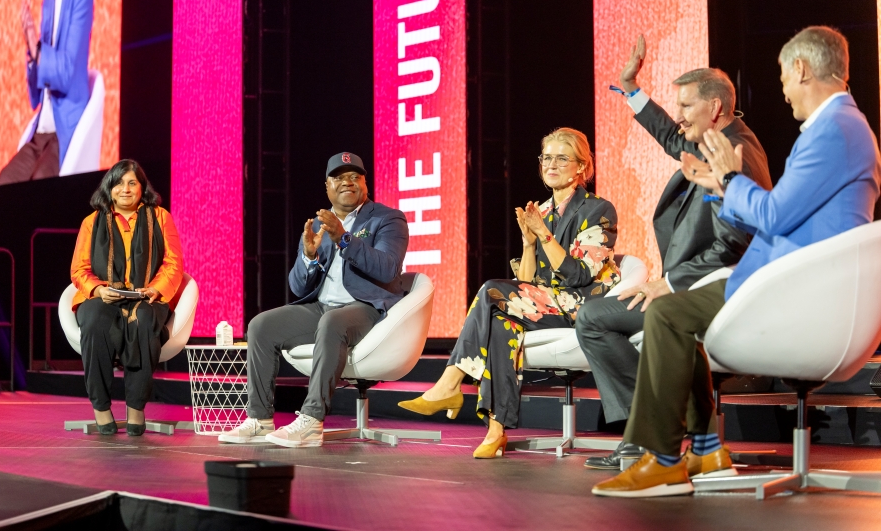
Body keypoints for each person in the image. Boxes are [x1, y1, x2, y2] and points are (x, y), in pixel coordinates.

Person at [593, 26, 881, 498]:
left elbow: (771, 215)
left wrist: (727, 177)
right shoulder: (841, 127)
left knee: (667, 312)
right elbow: (779, 211)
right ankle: (702, 448)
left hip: (796, 291)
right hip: (787, 281)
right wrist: (721, 184)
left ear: (802, 69)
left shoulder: (834, 131)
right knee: (670, 314)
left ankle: (665, 459)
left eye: (785, 78)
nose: (784, 92)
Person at [575, 36, 772, 469]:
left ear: (714, 109)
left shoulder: (737, 153)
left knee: (593, 318)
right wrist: (631, 88)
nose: (678, 117)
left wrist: (670, 283)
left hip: (711, 291)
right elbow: (670, 136)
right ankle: (647, 430)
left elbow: (738, 242)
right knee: (592, 317)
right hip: (686, 287)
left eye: (685, 107)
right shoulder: (714, 140)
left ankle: (650, 433)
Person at [398, 128, 621, 458]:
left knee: (491, 291)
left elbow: (578, 275)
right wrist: (528, 243)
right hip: (545, 303)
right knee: (503, 324)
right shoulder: (541, 211)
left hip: (583, 305)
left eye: (562, 158)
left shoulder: (598, 209)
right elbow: (528, 282)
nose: (552, 164)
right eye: (547, 157)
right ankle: (497, 429)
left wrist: (543, 235)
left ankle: (450, 382)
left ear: (581, 167)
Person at [220, 153, 409, 448]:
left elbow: (387, 267)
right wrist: (308, 257)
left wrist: (344, 238)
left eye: (355, 176)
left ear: (365, 183)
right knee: (261, 326)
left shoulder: (387, 218)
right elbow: (296, 287)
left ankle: (311, 420)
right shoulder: (319, 226)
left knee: (332, 321)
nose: (348, 181)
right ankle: (259, 419)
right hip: (322, 307)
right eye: (339, 177)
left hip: (366, 307)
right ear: (327, 186)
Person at [70, 160, 184, 436]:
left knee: (144, 320)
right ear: (109, 188)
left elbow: (173, 263)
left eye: (132, 183)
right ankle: (101, 407)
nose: (125, 189)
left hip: (147, 296)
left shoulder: (159, 217)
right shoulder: (91, 222)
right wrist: (98, 290)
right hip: (104, 296)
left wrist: (155, 289)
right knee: (95, 319)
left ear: (142, 188)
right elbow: (79, 269)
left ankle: (136, 408)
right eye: (119, 183)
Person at [0, 0, 95, 184]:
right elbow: (35, 94)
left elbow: (65, 72)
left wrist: (37, 48)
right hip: (43, 128)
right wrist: (30, 50)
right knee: (6, 179)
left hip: (65, 128)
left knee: (41, 179)